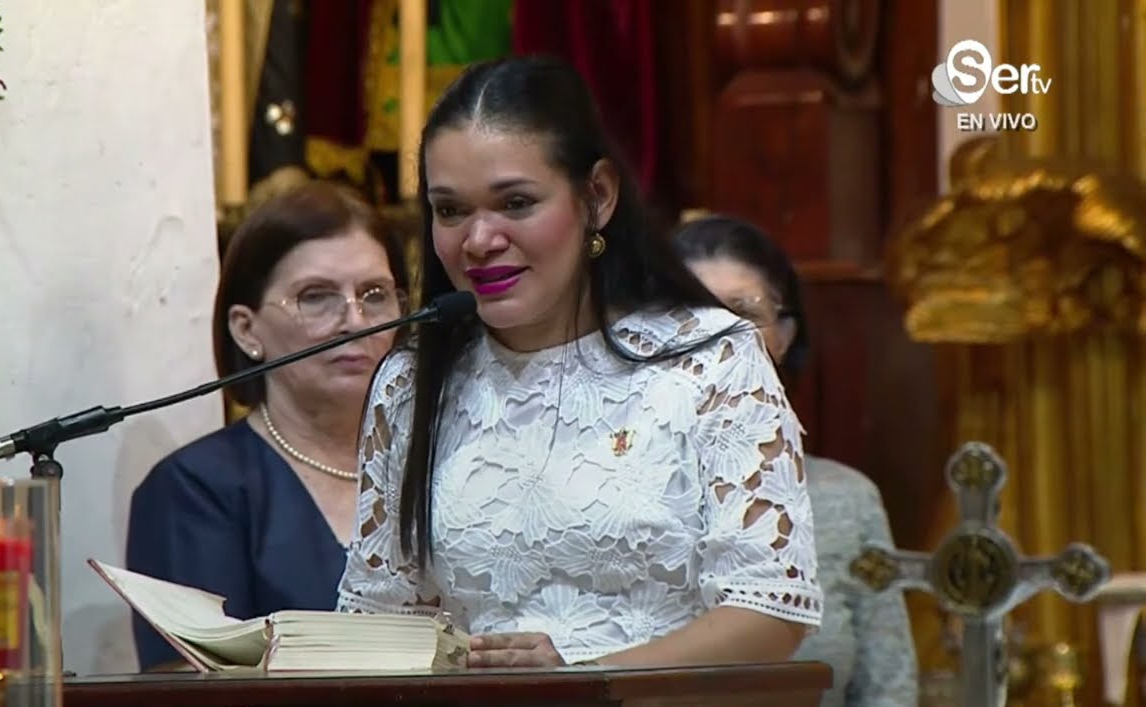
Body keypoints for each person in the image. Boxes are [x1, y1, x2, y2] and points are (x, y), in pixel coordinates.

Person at [335, 56, 822, 668]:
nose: (479, 241)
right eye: (451, 210)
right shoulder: (411, 385)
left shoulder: (710, 360)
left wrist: (582, 683)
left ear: (597, 196)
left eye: (515, 203)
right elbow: (381, 616)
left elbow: (769, 611)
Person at [126, 181, 409, 671]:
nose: (355, 320)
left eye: (375, 294)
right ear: (246, 329)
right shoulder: (196, 490)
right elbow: (196, 696)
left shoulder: (444, 464)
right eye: (316, 296)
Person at [673, 214, 918, 707]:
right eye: (691, 315)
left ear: (784, 336)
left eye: (741, 312)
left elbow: (886, 698)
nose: (718, 338)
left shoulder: (847, 500)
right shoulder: (607, 495)